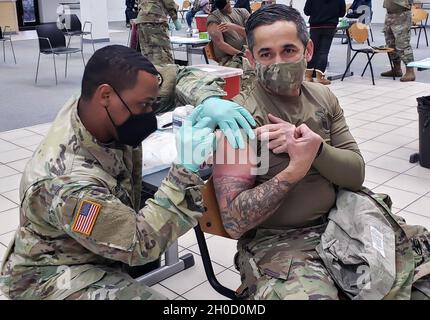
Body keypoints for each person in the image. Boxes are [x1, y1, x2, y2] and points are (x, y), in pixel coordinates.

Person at [0, 45, 257, 300]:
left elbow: (176, 76)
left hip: (92, 247)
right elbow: (140, 244)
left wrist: (209, 100)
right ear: (106, 96)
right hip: (53, 275)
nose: (151, 113)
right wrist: (185, 170)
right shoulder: (68, 183)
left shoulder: (104, 100)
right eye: (145, 105)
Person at [212, 4, 430, 300]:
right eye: (266, 54)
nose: (278, 62)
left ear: (308, 50)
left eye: (289, 50)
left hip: (343, 219)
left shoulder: (322, 97)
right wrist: (294, 171)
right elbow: (235, 222)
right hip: (280, 243)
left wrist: (317, 150)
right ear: (250, 58)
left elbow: (355, 174)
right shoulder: (240, 118)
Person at [304, 0, 346, 85]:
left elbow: (306, 11)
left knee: (312, 51)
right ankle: (320, 77)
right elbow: (342, 13)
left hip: (315, 26)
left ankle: (308, 76)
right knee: (324, 51)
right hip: (330, 26)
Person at [135, 0, 182, 65]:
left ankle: (151, 73)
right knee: (163, 56)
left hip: (142, 20)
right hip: (155, 20)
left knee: (148, 54)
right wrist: (175, 19)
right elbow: (168, 2)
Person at [207, 0, 250, 68]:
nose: (225, 9)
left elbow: (251, 35)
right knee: (250, 70)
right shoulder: (214, 18)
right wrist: (241, 54)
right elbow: (220, 44)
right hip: (229, 58)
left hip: (248, 52)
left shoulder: (242, 12)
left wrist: (233, 27)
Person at [381, 0, 415, 82]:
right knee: (390, 43)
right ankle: (396, 69)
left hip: (402, 14)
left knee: (402, 43)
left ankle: (410, 71)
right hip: (389, 14)